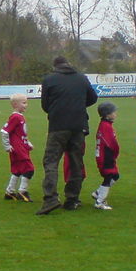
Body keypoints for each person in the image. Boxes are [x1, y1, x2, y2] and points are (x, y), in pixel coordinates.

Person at [37, 56, 98, 215]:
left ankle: (50, 198)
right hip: (78, 125)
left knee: (51, 162)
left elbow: (45, 105)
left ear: (55, 66)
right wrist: (77, 105)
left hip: (58, 126)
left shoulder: (49, 80)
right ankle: (72, 199)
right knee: (75, 162)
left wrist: (58, 109)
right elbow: (93, 98)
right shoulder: (81, 78)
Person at [0, 93, 34, 202]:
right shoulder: (15, 117)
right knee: (29, 169)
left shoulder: (19, 116)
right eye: (24, 103)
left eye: (26, 102)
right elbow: (4, 131)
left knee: (17, 170)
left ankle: (9, 192)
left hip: (20, 147)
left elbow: (21, 133)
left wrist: (27, 143)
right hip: (18, 149)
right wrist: (7, 146)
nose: (26, 105)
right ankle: (22, 191)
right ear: (15, 104)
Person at [91, 102, 120, 210]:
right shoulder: (106, 126)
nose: (115, 114)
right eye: (113, 112)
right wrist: (115, 153)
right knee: (108, 177)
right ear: (107, 114)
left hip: (106, 155)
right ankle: (100, 201)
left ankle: (98, 192)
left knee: (115, 176)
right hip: (106, 156)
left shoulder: (106, 124)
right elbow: (111, 143)